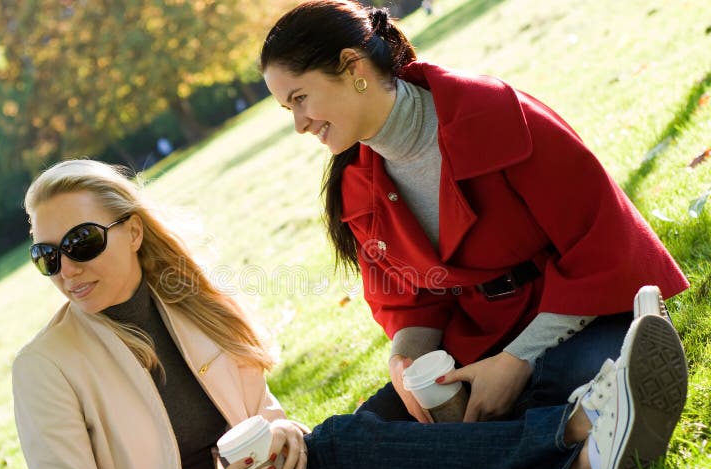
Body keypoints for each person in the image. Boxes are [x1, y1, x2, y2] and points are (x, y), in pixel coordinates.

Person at [15, 159, 687, 469]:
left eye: (81, 243)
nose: (67, 269)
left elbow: (266, 417)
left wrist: (284, 439)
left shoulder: (189, 306)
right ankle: (576, 429)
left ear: (131, 232)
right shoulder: (46, 368)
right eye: (48, 256)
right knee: (343, 445)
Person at [259, 0, 690, 424]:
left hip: (583, 320)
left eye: (300, 98)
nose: (299, 124)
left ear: (353, 68)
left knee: (574, 379)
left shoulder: (492, 114)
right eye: (287, 109)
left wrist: (516, 361)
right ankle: (557, 434)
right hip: (478, 346)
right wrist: (408, 366)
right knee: (363, 427)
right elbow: (412, 305)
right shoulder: (354, 187)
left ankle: (544, 437)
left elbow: (602, 247)